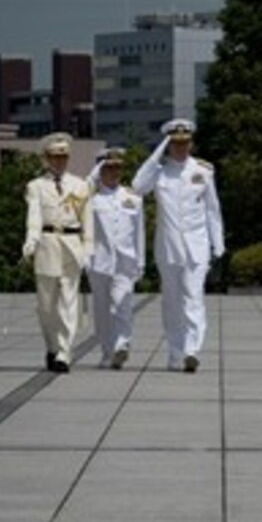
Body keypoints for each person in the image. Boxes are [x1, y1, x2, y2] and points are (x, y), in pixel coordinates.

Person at [132, 119, 224, 373]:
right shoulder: (159, 173)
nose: (180, 148)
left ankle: (192, 349)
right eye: (175, 143)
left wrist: (219, 245)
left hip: (197, 247)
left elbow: (212, 211)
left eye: (184, 143)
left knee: (193, 297)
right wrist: (157, 154)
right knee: (172, 303)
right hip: (169, 248)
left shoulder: (204, 171)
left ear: (191, 143)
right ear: (167, 144)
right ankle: (175, 352)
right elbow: (138, 186)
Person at [22, 132, 94, 373]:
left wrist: (88, 250)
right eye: (54, 157)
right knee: (45, 306)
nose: (59, 161)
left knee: (68, 302)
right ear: (46, 158)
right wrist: (30, 241)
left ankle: (64, 352)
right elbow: (34, 216)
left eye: (63, 157)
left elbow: (88, 220)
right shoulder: (36, 186)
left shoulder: (80, 185)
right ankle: (52, 347)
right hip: (47, 244)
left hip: (72, 245)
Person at [86, 147, 145, 370]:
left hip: (125, 260)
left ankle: (122, 344)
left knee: (123, 303)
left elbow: (139, 232)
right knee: (102, 310)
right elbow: (85, 232)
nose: (114, 172)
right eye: (108, 168)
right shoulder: (90, 199)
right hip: (98, 261)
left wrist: (141, 262)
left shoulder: (132, 197)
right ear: (100, 169)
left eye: (117, 168)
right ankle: (107, 352)